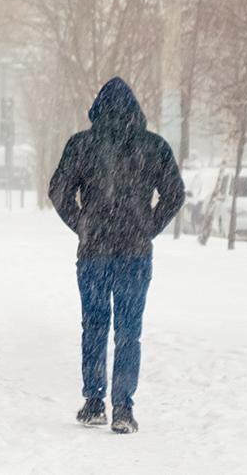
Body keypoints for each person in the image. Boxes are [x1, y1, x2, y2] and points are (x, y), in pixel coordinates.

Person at [48, 77, 184, 435]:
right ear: (135, 109)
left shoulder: (81, 145)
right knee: (128, 331)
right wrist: (148, 226)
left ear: (98, 108)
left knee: (93, 325)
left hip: (94, 253)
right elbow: (175, 194)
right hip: (134, 255)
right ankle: (123, 408)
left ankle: (94, 402)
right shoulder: (154, 147)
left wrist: (83, 223)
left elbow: (58, 190)